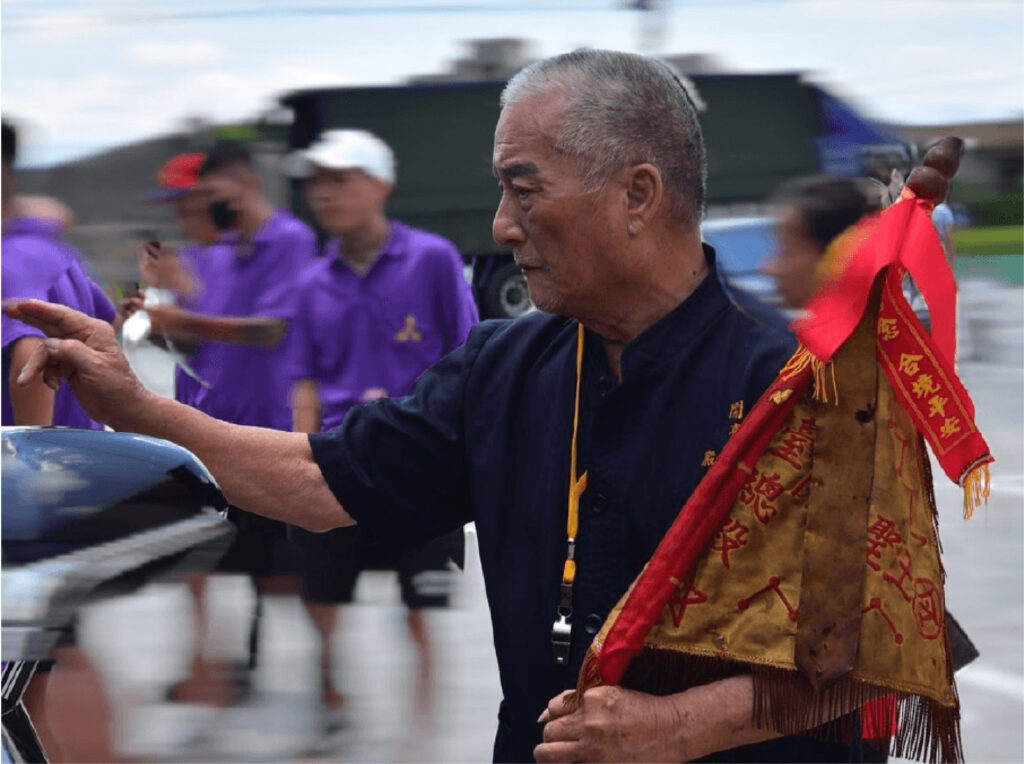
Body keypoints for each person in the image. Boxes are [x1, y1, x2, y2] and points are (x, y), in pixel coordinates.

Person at [5, 50, 962, 764]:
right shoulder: (505, 367)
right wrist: (140, 409)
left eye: (522, 188)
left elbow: (882, 647)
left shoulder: (808, 385)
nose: (502, 226)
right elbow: (320, 476)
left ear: (637, 192)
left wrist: (679, 725)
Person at [284, 129, 479, 729]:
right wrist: (299, 457)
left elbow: (471, 352)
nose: (323, 194)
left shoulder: (432, 260)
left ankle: (421, 729)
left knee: (420, 603)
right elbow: (305, 379)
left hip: (416, 461)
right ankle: (328, 688)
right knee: (321, 593)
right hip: (337, 459)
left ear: (380, 186)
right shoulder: (312, 283)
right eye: (316, 182)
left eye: (339, 180)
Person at [139, 140, 318, 697]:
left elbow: (273, 330)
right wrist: (159, 318)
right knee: (194, 555)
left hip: (261, 427)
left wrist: (183, 311)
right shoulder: (205, 255)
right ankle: (207, 669)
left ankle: (319, 676)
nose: (183, 216)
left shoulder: (286, 240)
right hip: (203, 425)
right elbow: (192, 342)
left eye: (191, 202)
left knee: (280, 571)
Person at [1, 118, 121, 763]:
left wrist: (26, 500)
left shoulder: (10, 260)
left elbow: (30, 358)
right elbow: (104, 331)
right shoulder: (48, 252)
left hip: (29, 496)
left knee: (30, 669)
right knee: (48, 660)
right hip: (76, 482)